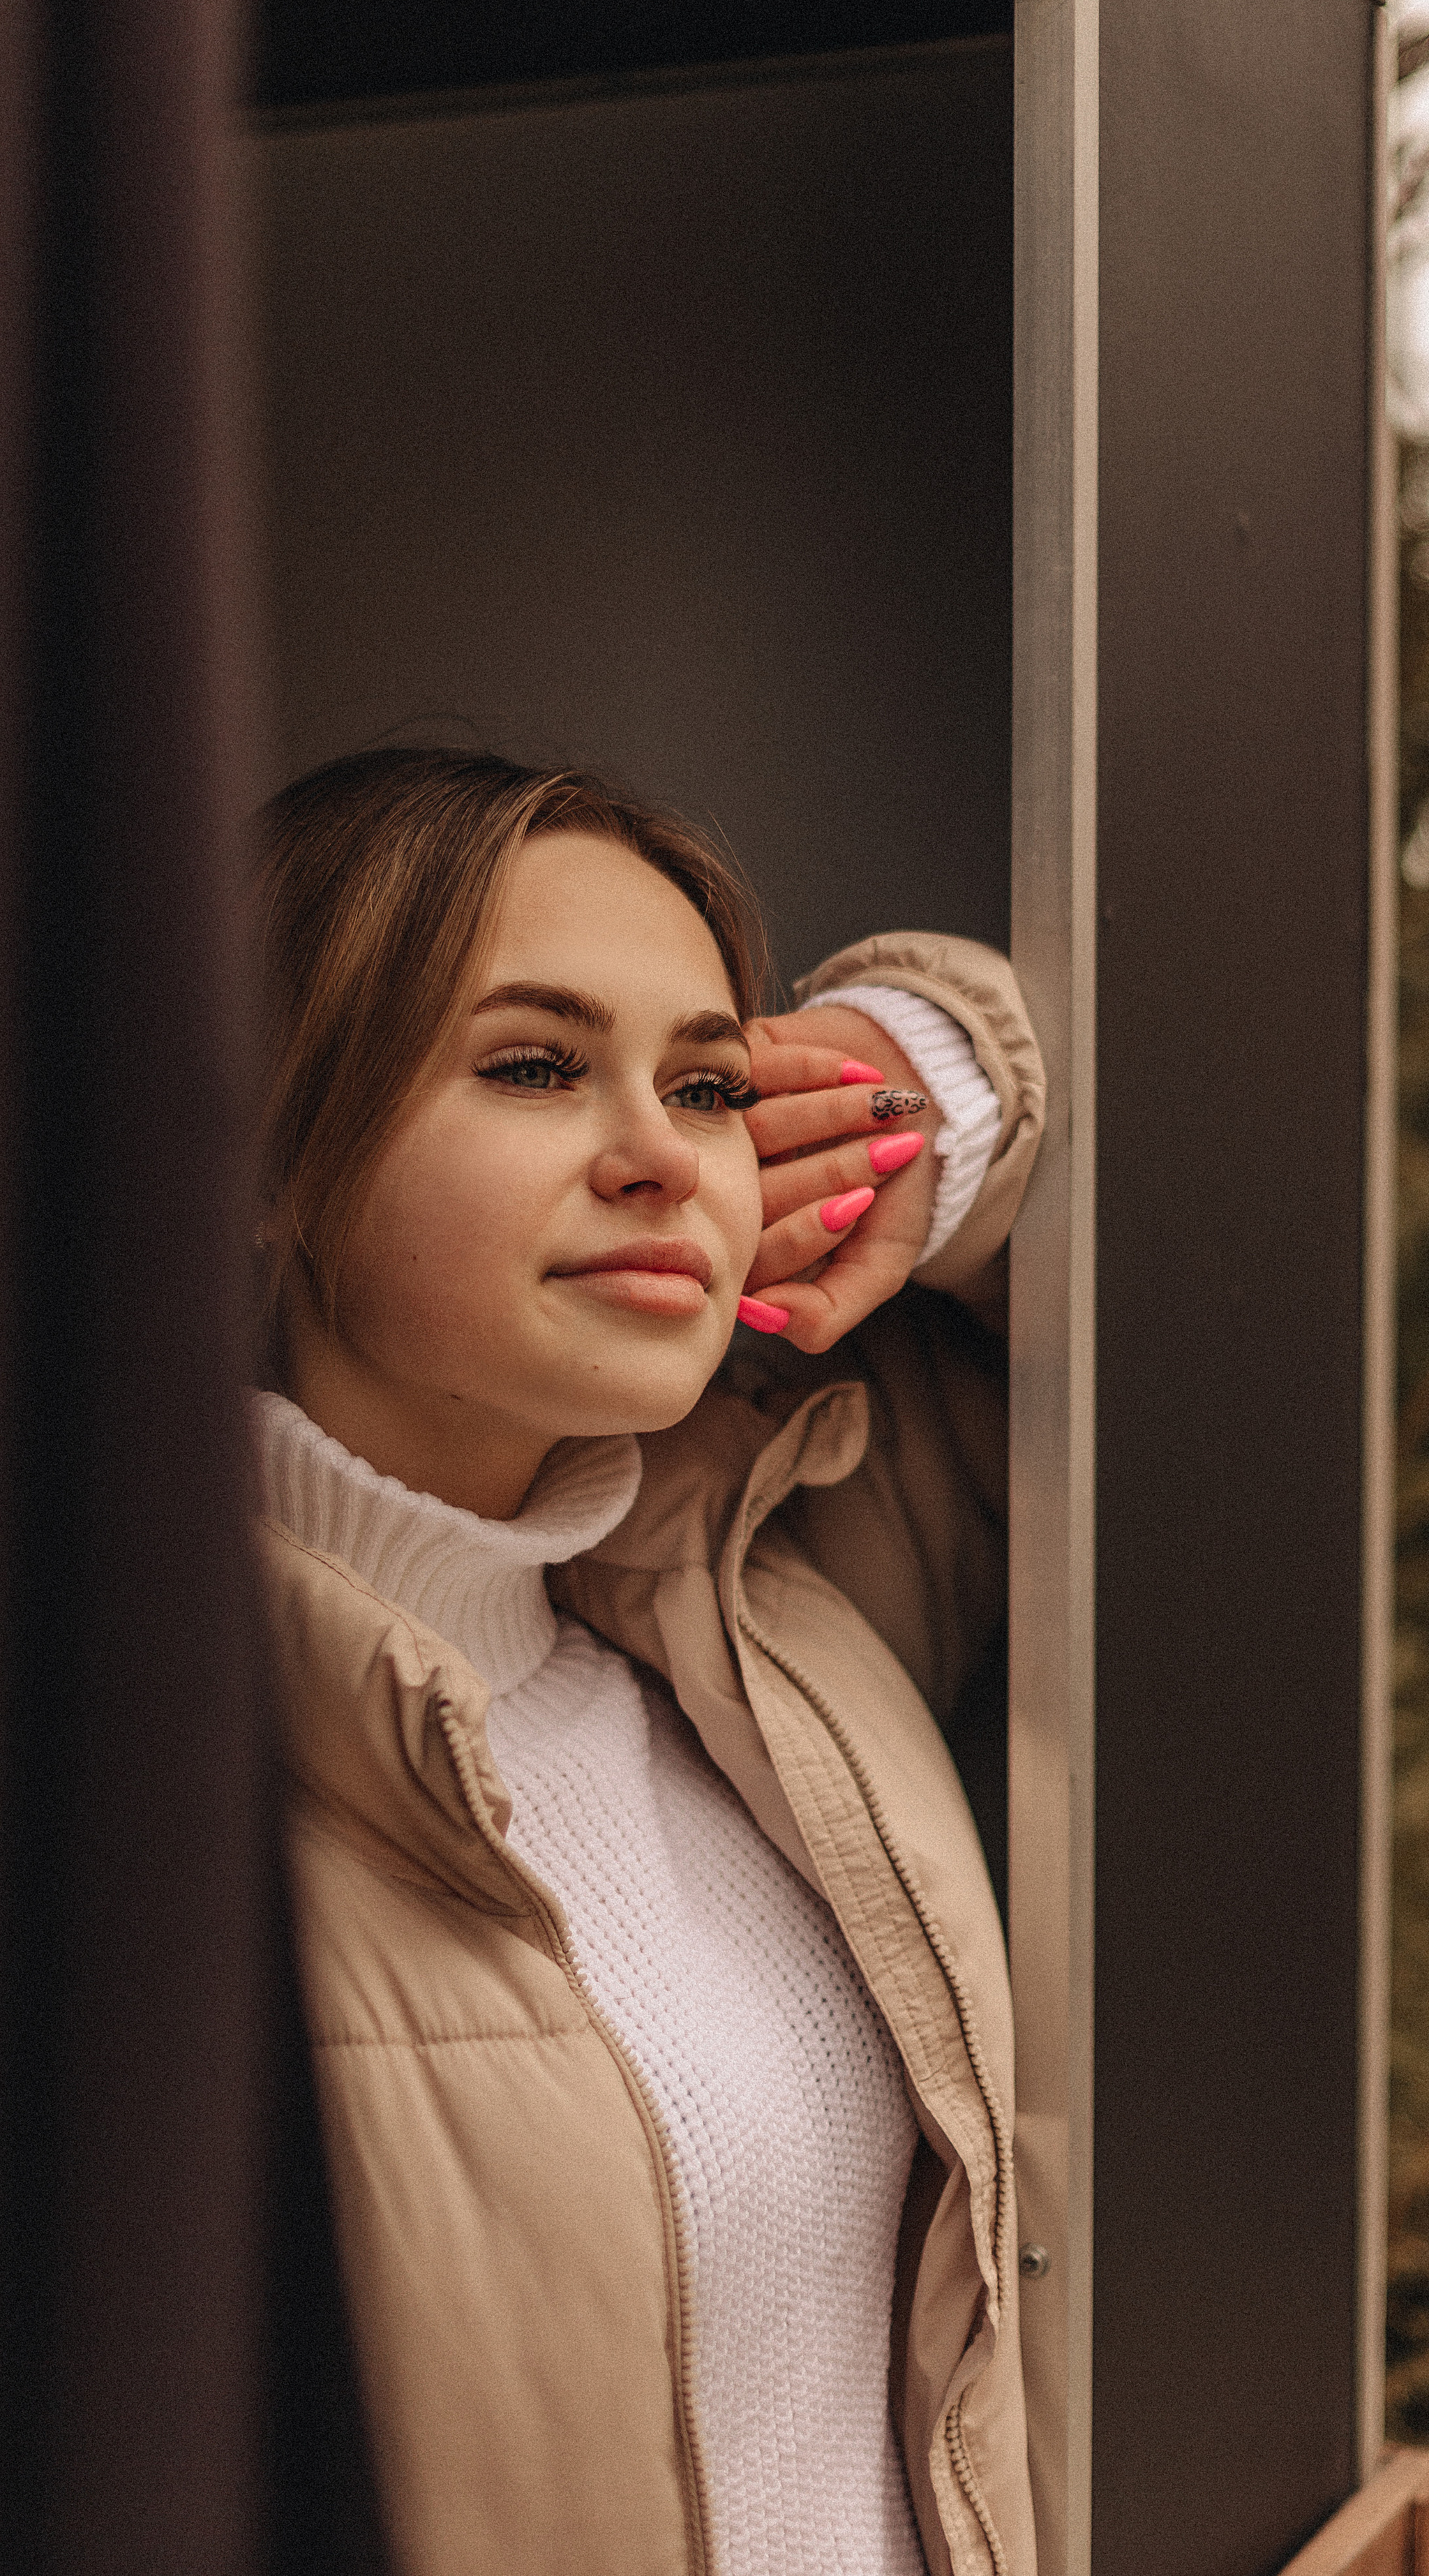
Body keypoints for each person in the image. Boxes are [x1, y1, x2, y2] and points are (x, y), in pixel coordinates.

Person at [253, 748, 1045, 2576]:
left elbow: (1151, 1187)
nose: (657, 1156)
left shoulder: (777, 1599)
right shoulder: (128, 1789)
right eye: (534, 1066)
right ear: (270, 1163)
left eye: (703, 1083)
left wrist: (900, 1095)